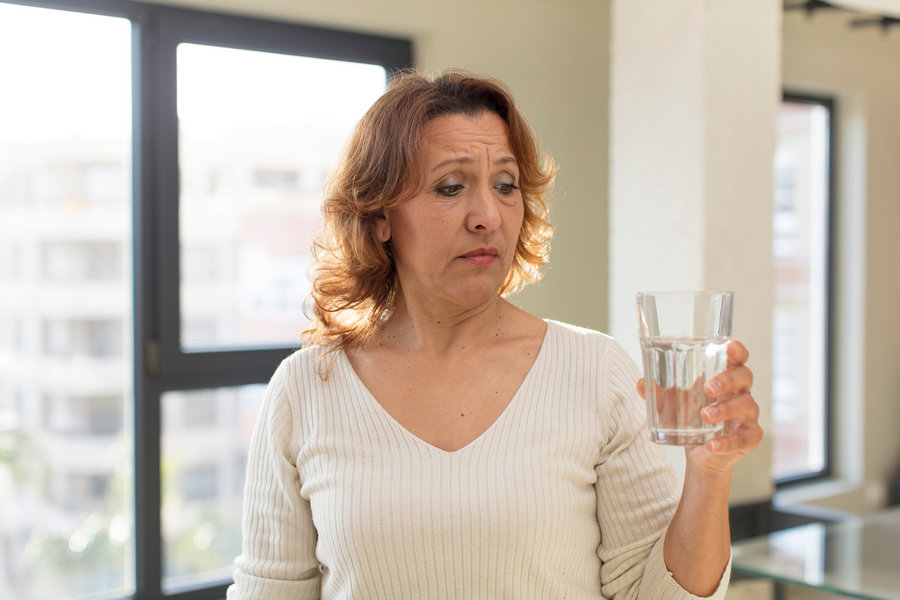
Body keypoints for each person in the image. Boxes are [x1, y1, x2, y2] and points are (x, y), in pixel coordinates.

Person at [226, 69, 762, 600]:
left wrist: (709, 473)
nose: (487, 215)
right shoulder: (305, 389)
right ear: (380, 216)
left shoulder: (595, 371)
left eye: (506, 186)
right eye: (451, 187)